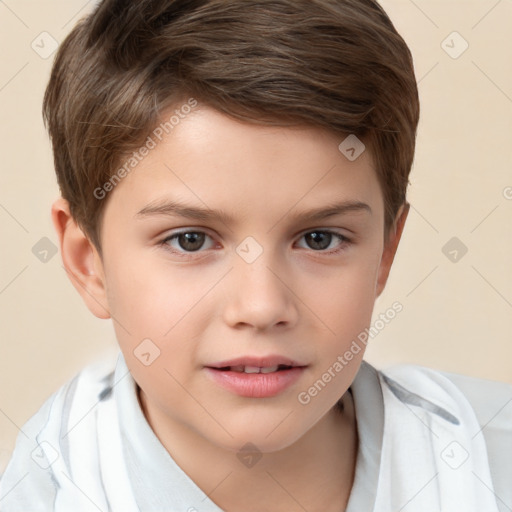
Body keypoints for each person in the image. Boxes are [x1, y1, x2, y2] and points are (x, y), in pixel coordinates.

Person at [1, 0, 511, 511]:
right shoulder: (45, 492)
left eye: (319, 239)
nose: (262, 306)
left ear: (385, 251)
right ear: (89, 261)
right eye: (190, 240)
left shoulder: (491, 458)